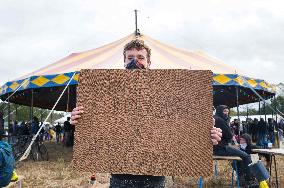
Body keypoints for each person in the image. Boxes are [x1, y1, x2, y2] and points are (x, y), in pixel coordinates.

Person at [71, 39, 222, 188]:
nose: (135, 61)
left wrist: (206, 136)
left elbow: (182, 124)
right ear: (124, 62)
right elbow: (99, 127)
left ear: (149, 63)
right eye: (130, 58)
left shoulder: (166, 92)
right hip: (119, 177)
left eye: (140, 57)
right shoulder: (110, 93)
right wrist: (81, 120)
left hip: (155, 177)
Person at [213, 105, 255, 186]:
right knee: (246, 156)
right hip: (220, 148)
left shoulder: (214, 118)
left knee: (242, 157)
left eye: (227, 111)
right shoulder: (220, 120)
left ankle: (241, 178)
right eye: (224, 111)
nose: (227, 113)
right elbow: (229, 135)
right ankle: (249, 181)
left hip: (215, 148)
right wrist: (227, 122)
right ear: (219, 111)